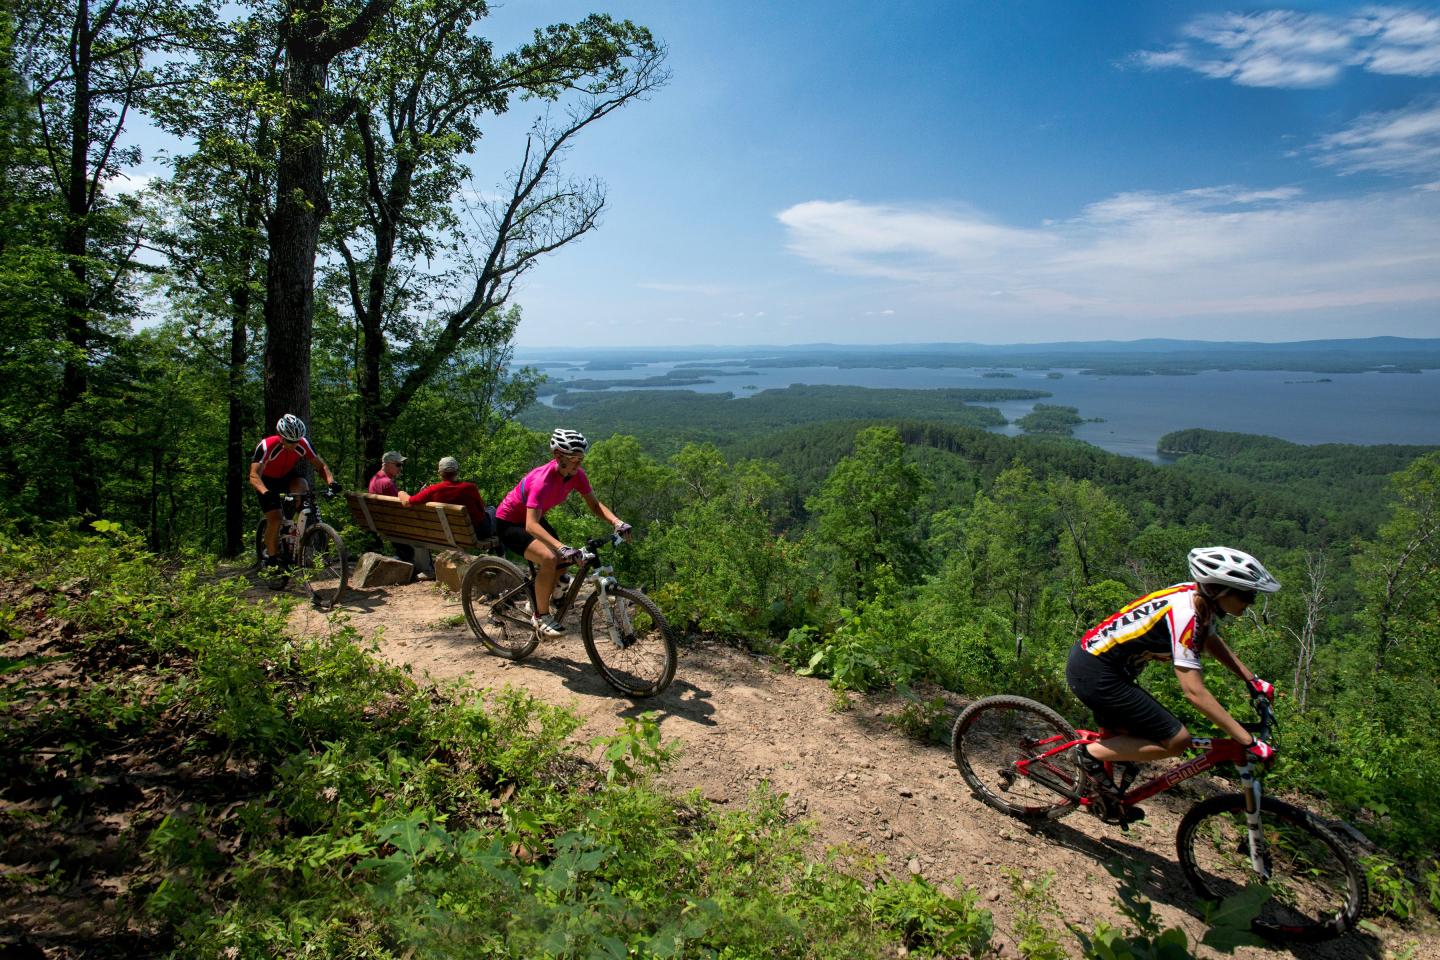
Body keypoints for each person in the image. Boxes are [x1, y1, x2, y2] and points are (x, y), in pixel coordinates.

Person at [1066, 546, 1280, 821]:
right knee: (1177, 740)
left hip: (1103, 665)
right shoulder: (1186, 614)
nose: (1251, 601)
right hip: (1097, 672)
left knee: (1132, 736)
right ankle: (1087, 754)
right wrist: (1246, 740)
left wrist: (1252, 680)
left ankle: (1104, 796)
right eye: (1247, 594)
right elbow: (1194, 692)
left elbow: (1210, 640)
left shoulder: (1198, 599)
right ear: (1221, 591)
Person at [493, 429, 630, 637]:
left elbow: (594, 505)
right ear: (558, 456)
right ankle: (540, 615)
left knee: (566, 559)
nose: (578, 464)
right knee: (550, 557)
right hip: (510, 523)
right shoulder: (542, 481)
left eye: (581, 459)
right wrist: (560, 547)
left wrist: (617, 522)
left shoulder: (576, 475)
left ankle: (541, 598)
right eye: (574, 459)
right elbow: (531, 525)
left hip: (535, 518)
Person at [250, 414, 339, 569]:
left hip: (286, 476)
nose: (293, 444)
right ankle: (272, 557)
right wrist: (265, 491)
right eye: (290, 441)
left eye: (296, 441)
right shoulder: (266, 446)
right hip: (266, 481)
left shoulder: (303, 443)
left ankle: (295, 527)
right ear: (280, 437)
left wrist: (331, 482)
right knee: (275, 518)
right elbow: (254, 475)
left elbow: (320, 466)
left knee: (302, 485)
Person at [408, 456, 488, 532]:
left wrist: (401, 492)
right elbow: (482, 508)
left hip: (444, 532)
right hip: (475, 532)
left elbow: (409, 501)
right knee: (492, 510)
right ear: (457, 471)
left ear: (440, 473)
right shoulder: (470, 488)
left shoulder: (432, 490)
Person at [368, 451, 415, 564]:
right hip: (393, 525)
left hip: (382, 522)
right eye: (398, 465)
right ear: (387, 464)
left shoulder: (375, 479)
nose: (400, 468)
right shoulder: (387, 483)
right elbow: (401, 508)